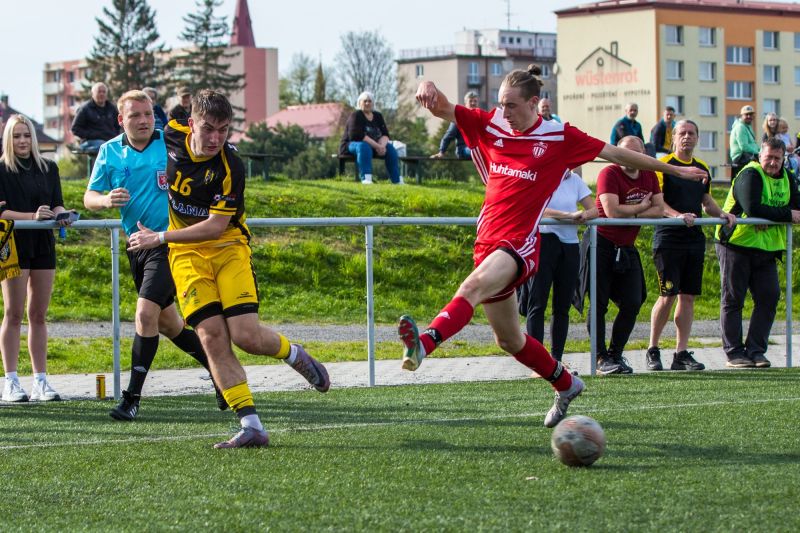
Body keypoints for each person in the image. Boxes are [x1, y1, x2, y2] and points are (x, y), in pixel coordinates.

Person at [400, 66, 706, 428]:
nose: (505, 112)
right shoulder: (492, 124)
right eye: (500, 104)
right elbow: (443, 108)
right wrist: (428, 86)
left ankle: (424, 343)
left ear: (534, 103)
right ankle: (566, 383)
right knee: (510, 340)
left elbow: (618, 155)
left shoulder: (559, 136)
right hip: (485, 243)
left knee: (471, 288)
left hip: (520, 245)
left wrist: (674, 171)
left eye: (511, 105)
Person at [127, 90, 330, 448]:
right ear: (191, 123)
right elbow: (142, 126)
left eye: (224, 130)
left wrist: (159, 237)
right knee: (211, 337)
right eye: (208, 129)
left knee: (246, 337)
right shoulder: (172, 130)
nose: (215, 138)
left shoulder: (230, 166)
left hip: (228, 249)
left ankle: (294, 354)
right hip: (187, 256)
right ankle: (251, 425)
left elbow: (214, 228)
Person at [84, 90, 226, 420]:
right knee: (170, 325)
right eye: (136, 115)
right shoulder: (109, 151)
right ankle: (223, 372)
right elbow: (89, 195)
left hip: (170, 243)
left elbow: (208, 148)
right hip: (137, 247)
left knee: (145, 314)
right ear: (122, 120)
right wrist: (105, 201)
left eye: (148, 113)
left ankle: (131, 398)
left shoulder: (172, 140)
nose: (145, 120)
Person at [646, 120, 736, 371]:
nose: (687, 137)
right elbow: (658, 203)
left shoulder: (702, 168)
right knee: (668, 295)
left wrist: (723, 214)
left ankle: (681, 353)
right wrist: (676, 216)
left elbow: (705, 200)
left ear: (697, 138)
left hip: (693, 238)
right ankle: (653, 349)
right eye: (682, 133)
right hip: (668, 237)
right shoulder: (663, 165)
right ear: (673, 138)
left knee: (687, 297)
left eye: (691, 133)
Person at [0, 114, 76, 402]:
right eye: (17, 136)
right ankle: (10, 381)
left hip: (44, 244)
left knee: (39, 315)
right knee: (14, 313)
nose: (22, 141)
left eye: (26, 135)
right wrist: (32, 217)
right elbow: (1, 213)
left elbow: (57, 203)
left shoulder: (48, 167)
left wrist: (61, 216)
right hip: (13, 246)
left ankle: (41, 381)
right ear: (9, 138)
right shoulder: (2, 170)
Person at [715, 138, 800, 368]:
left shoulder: (788, 177)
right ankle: (734, 353)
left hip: (767, 248)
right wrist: (778, 215)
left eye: (777, 158)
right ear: (759, 156)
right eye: (768, 157)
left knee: (769, 297)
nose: (772, 162)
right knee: (734, 299)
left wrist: (770, 217)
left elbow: (797, 208)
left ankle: (756, 351)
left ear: (784, 159)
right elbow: (753, 208)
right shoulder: (749, 173)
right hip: (737, 243)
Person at [591, 135, 664, 375]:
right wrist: (641, 209)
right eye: (624, 152)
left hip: (626, 246)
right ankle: (600, 357)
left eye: (635, 153)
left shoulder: (648, 174)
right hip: (601, 243)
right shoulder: (609, 174)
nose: (629, 158)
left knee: (634, 300)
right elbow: (612, 212)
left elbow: (659, 210)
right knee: (598, 304)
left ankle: (615, 354)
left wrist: (631, 214)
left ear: (643, 154)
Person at [517, 171, 596, 362]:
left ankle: (556, 360)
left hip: (570, 246)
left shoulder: (575, 180)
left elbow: (595, 210)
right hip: (544, 242)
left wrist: (584, 215)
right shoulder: (542, 175)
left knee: (562, 307)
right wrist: (568, 216)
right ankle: (537, 361)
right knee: (537, 303)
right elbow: (538, 208)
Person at [339, 91, 402, 184]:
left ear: (373, 103)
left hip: (373, 146)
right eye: (365, 101)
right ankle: (366, 178)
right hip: (352, 145)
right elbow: (357, 136)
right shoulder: (356, 115)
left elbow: (385, 134)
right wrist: (378, 146)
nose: (367, 103)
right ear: (360, 103)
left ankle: (397, 181)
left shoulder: (378, 116)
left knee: (390, 148)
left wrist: (382, 146)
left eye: (370, 101)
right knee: (363, 146)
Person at [71, 82, 120, 154]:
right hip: (90, 142)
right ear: (92, 93)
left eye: (104, 92)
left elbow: (118, 126)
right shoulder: (85, 109)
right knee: (105, 147)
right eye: (99, 91)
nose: (102, 94)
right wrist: (94, 135)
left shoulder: (112, 108)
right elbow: (75, 129)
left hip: (110, 140)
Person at [431, 91, 479, 160]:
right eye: (470, 101)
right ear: (465, 104)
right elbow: (449, 135)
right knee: (479, 151)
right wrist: (441, 151)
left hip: (476, 148)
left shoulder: (478, 118)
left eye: (475, 101)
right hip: (463, 150)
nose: (473, 103)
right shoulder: (459, 118)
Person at [729, 105, 759, 179]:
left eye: (751, 114)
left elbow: (753, 144)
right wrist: (758, 153)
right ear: (741, 115)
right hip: (740, 158)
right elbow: (744, 146)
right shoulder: (740, 127)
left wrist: (761, 150)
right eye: (746, 114)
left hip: (746, 156)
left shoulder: (747, 127)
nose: (749, 116)